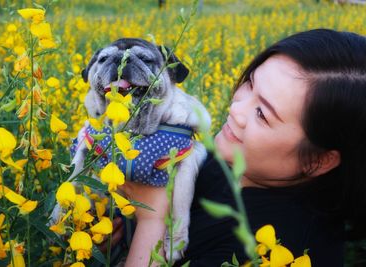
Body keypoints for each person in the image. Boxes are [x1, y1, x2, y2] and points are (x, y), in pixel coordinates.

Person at [118, 28, 366, 266]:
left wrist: (152, 220)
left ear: (317, 161)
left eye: (262, 114)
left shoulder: (278, 252)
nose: (236, 109)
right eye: (249, 82)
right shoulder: (234, 159)